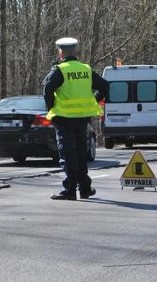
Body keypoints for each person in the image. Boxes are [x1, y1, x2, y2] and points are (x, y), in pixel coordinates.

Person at [43, 37, 108, 200]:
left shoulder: (60, 70)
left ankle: (70, 190)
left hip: (64, 118)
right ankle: (85, 189)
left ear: (61, 53)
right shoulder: (85, 69)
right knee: (80, 154)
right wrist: (94, 99)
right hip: (83, 118)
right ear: (74, 51)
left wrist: (51, 107)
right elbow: (105, 85)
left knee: (68, 155)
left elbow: (47, 89)